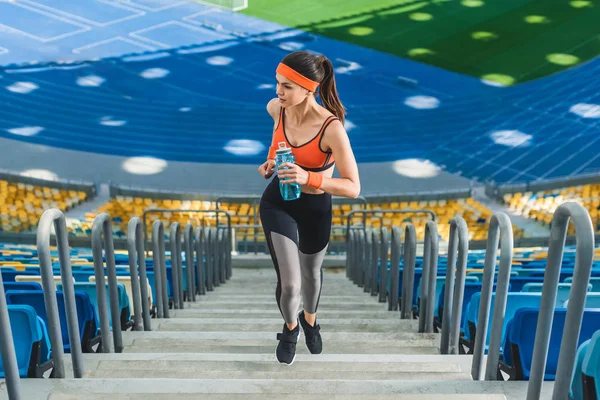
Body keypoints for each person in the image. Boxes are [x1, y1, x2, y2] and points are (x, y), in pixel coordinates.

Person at [258, 50, 361, 365]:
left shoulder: (331, 128)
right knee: (290, 284)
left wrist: (309, 177)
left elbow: (353, 187)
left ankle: (310, 321)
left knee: (311, 275)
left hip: (316, 205)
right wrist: (271, 161)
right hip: (279, 202)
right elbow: (278, 142)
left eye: (287, 86)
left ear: (308, 89)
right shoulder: (277, 108)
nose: (278, 92)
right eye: (278, 83)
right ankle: (290, 329)